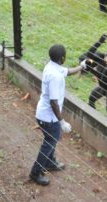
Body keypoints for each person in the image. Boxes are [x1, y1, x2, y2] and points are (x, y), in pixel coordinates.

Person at [29, 44, 87, 186]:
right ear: (62, 58)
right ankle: (35, 173)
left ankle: (49, 162)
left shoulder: (52, 66)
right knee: (49, 143)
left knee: (53, 139)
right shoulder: (55, 76)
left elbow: (66, 71)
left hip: (46, 115)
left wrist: (81, 66)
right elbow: (53, 102)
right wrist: (62, 122)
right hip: (48, 117)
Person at [79, 34, 107, 120]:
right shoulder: (102, 58)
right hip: (102, 87)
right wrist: (99, 42)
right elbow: (89, 54)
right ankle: (93, 117)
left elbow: (105, 78)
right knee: (91, 99)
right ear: (105, 55)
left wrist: (92, 70)